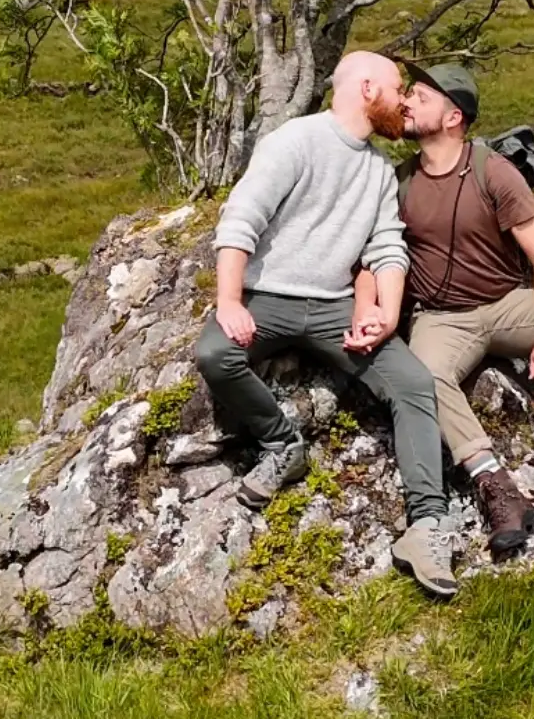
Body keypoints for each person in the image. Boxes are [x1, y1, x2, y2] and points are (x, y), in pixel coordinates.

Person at [196, 51, 458, 599]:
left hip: (336, 307)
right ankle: (282, 446)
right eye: (396, 87)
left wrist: (384, 315)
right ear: (367, 89)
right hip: (267, 297)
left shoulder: (380, 171)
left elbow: (387, 247)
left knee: (412, 384)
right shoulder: (295, 141)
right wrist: (229, 301)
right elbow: (241, 218)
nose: (404, 99)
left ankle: (427, 525)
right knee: (216, 356)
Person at [376, 63, 534, 558]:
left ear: (454, 116)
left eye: (421, 97)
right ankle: (497, 487)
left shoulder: (493, 172)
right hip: (440, 317)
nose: (407, 103)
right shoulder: (400, 182)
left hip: (504, 302)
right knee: (425, 374)